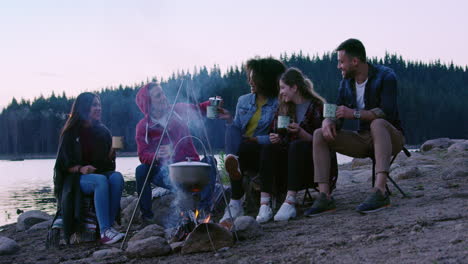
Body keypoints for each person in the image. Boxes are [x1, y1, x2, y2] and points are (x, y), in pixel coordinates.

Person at [305, 38, 405, 216]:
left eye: (341, 62)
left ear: (355, 61)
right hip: (363, 138)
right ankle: (324, 196)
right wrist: (328, 121)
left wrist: (354, 113)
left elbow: (386, 112)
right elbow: (336, 111)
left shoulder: (386, 76)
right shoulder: (346, 83)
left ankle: (380, 191)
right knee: (320, 134)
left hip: (390, 137)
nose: (339, 67)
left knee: (378, 122)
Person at [256, 68, 338, 223]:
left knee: (297, 145)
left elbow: (326, 141)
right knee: (268, 148)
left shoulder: (318, 106)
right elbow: (276, 133)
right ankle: (264, 204)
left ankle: (290, 202)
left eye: (283, 88)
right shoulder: (284, 107)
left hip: (314, 167)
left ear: (294, 88)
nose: (280, 93)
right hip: (289, 168)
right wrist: (276, 138)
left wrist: (301, 133)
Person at [134, 82, 217, 225]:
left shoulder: (178, 110)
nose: (163, 97)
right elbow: (142, 155)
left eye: (163, 93)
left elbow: (199, 109)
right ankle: (147, 217)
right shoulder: (144, 126)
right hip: (168, 175)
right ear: (149, 103)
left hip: (190, 169)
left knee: (210, 160)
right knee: (141, 170)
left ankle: (204, 210)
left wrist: (213, 102)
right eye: (158, 96)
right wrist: (156, 155)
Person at [218, 57, 286, 223]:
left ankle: (246, 202)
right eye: (249, 76)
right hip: (244, 149)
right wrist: (228, 119)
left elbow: (279, 136)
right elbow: (238, 129)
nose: (249, 81)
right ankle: (235, 200)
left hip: (266, 149)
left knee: (253, 148)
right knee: (232, 128)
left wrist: (255, 139)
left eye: (253, 78)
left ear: (266, 80)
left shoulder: (280, 102)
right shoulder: (244, 100)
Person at [52, 92, 125, 245]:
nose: (98, 108)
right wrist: (80, 168)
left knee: (116, 177)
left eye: (99, 105)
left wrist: (111, 155)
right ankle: (105, 231)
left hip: (97, 174)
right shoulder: (71, 133)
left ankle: (108, 227)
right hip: (75, 179)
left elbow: (106, 166)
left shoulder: (103, 131)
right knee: (100, 181)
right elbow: (62, 165)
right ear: (84, 108)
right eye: (94, 105)